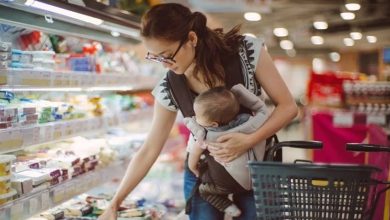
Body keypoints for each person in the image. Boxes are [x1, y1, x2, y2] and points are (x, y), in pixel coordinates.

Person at [98, 3, 298, 220]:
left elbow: (288, 107)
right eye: (155, 57)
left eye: (166, 55)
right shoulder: (170, 87)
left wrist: (249, 140)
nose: (164, 65)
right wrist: (115, 203)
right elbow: (150, 149)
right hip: (204, 174)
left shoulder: (246, 51)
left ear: (191, 39)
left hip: (257, 166)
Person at [184, 84, 269, 217]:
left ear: (214, 124)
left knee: (204, 191)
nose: (195, 118)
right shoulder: (250, 123)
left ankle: (228, 207)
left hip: (222, 185)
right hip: (252, 181)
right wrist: (240, 92)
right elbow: (262, 110)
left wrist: (192, 166)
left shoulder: (206, 134)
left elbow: (195, 152)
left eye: (197, 116)